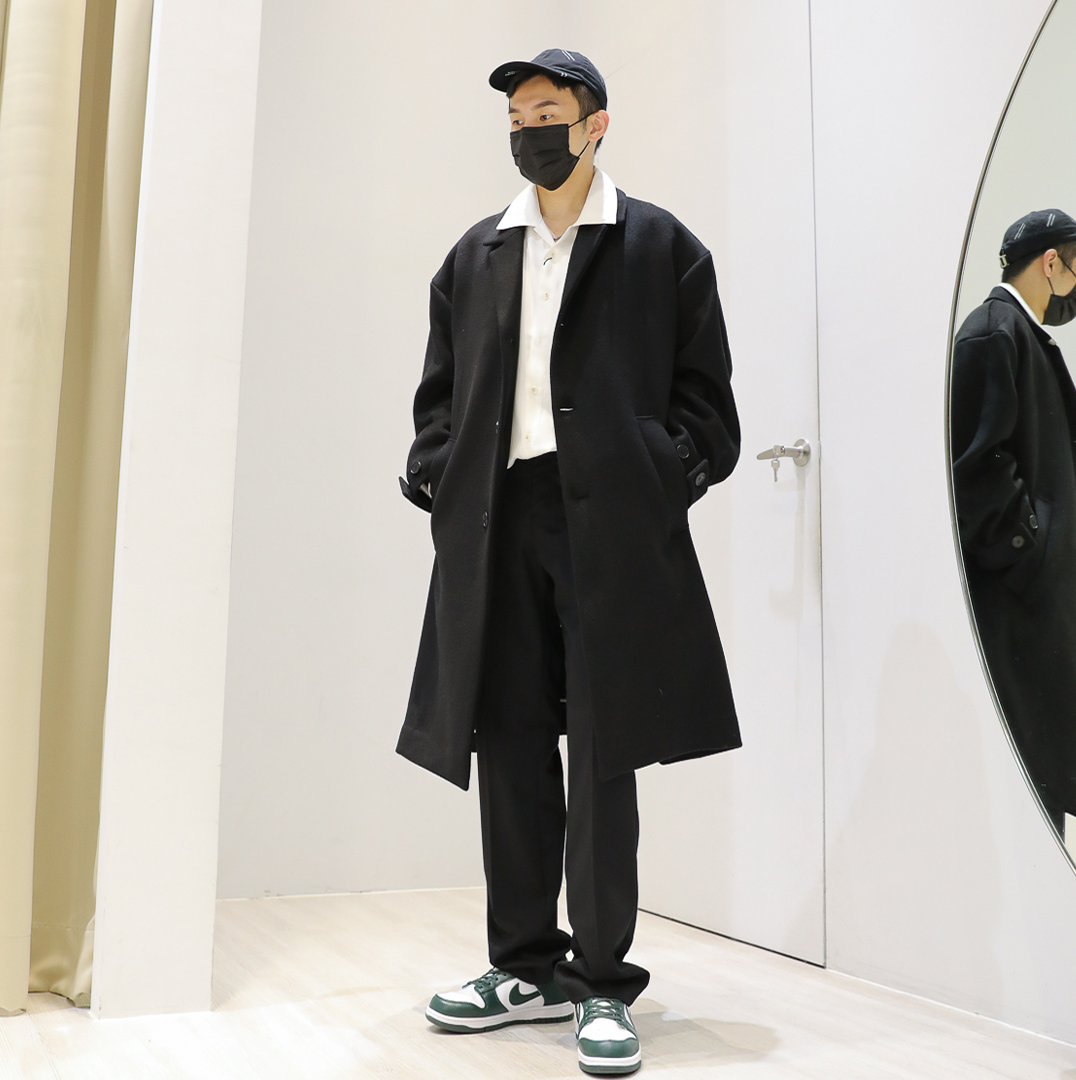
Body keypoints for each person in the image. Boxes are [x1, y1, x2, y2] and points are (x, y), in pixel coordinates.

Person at [397, 48, 741, 1075]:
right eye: (516, 119)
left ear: (596, 125)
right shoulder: (475, 254)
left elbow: (707, 406)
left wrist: (656, 478)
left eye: (546, 113)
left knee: (601, 750)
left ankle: (600, 982)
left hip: (612, 532)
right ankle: (524, 966)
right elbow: (438, 398)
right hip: (498, 525)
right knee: (506, 745)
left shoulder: (661, 246)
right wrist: (438, 473)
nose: (528, 131)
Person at [952, 209, 1076, 838]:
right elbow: (979, 469)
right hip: (1021, 599)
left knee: (1050, 756)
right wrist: (1032, 553)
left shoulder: (1021, 334)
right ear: (1051, 262)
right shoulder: (994, 332)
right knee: (1034, 765)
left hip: (1041, 595)